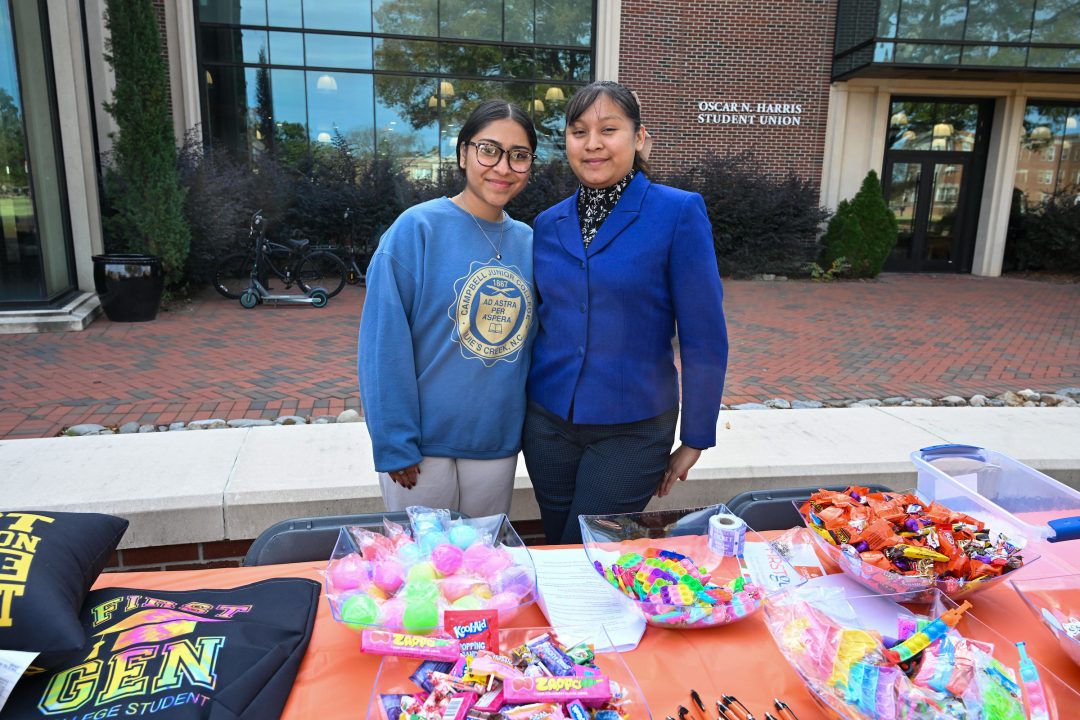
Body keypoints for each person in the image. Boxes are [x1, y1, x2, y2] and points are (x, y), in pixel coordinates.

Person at [523, 81, 728, 544]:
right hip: (547, 424)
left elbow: (704, 337)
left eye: (608, 129)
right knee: (557, 542)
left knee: (593, 550)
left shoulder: (677, 213)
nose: (592, 143)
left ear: (639, 139)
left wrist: (696, 437)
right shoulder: (547, 223)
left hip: (632, 430)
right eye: (579, 132)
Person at [358, 100, 538, 518]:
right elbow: (383, 343)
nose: (502, 167)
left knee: (483, 571)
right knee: (424, 574)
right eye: (489, 150)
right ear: (463, 153)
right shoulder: (416, 230)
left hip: (494, 445)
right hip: (421, 450)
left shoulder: (531, 243)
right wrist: (394, 440)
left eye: (519, 156)